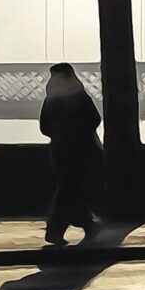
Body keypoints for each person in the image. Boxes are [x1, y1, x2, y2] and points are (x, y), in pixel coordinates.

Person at [39, 62, 103, 246]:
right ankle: (56, 230)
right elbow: (95, 120)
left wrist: (60, 134)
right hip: (81, 148)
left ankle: (87, 224)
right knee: (70, 188)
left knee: (70, 187)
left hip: (59, 150)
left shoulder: (51, 100)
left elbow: (44, 128)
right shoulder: (80, 97)